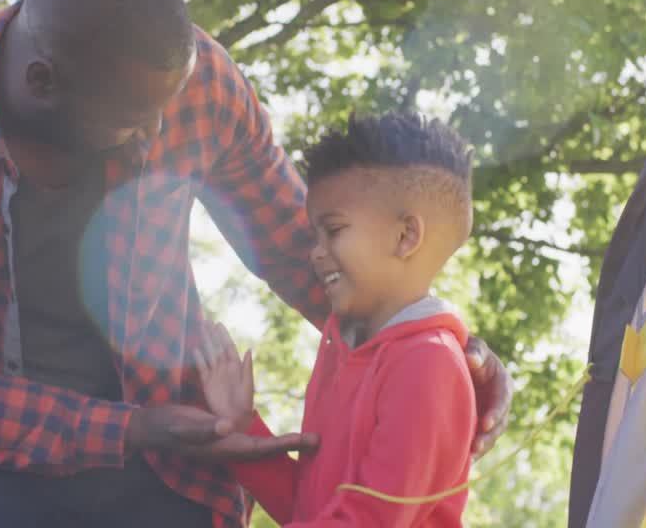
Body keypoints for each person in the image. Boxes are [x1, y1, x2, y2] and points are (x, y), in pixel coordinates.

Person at [0, 0, 512, 528]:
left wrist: (443, 347)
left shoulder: (194, 84)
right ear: (43, 82)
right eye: (134, 117)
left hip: (172, 464)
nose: (158, 130)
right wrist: (131, 427)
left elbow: (302, 249)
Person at [197, 112, 478, 527]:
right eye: (315, 235)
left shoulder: (428, 363)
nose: (315, 252)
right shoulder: (344, 348)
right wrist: (242, 428)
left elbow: (368, 520)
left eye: (334, 230)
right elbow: (309, 509)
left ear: (405, 237)